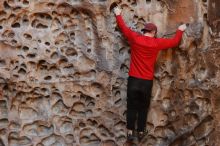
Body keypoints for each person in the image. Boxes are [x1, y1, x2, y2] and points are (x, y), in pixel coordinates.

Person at [113, 6, 187, 142]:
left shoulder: (135, 38)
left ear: (145, 31)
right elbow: (175, 42)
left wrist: (118, 14)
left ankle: (130, 132)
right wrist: (180, 30)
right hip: (146, 81)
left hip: (134, 79)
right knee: (143, 107)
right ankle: (141, 131)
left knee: (131, 105)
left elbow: (124, 28)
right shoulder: (156, 43)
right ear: (153, 32)